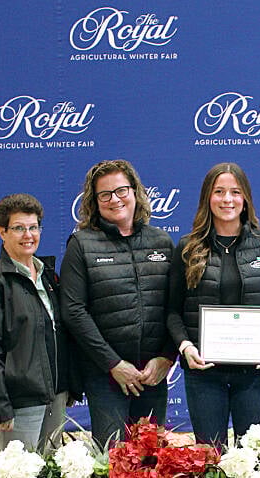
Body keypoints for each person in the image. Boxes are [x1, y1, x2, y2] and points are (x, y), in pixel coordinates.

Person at [167, 162, 260, 448]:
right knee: (209, 458)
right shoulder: (187, 246)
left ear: (245, 198)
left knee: (254, 458)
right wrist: (186, 347)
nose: (227, 199)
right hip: (204, 371)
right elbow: (172, 311)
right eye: (219, 191)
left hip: (254, 372)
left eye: (235, 192)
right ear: (208, 198)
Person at [60, 160, 176, 448]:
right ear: (94, 201)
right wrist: (113, 363)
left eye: (121, 190)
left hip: (152, 374)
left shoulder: (161, 241)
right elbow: (73, 310)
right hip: (106, 377)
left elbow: (178, 305)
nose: (115, 199)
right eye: (105, 194)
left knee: (152, 465)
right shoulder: (82, 244)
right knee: (113, 465)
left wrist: (167, 357)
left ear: (135, 192)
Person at [0, 193, 73, 454]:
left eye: (33, 227)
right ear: (2, 232)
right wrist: (0, 405)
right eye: (18, 228)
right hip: (20, 402)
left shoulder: (49, 276)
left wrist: (69, 384)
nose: (28, 235)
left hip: (56, 397)